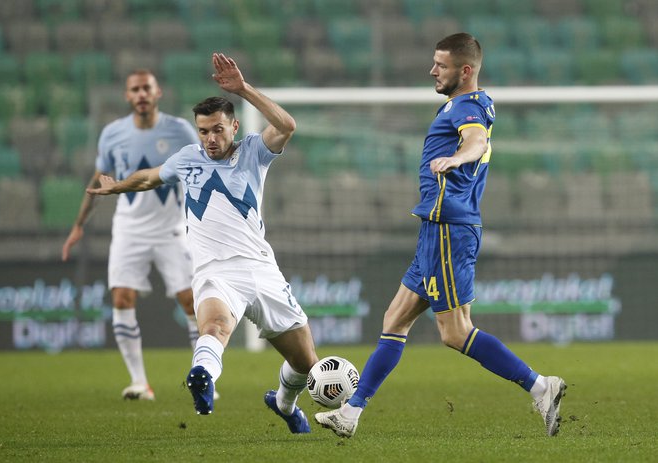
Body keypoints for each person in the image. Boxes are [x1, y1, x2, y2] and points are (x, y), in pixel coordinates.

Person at [315, 33, 567, 438]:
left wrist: (457, 157)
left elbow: (476, 139)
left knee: (455, 332)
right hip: (437, 228)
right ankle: (352, 412)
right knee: (394, 318)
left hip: (450, 229)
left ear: (465, 71)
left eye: (442, 65)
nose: (433, 70)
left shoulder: (469, 108)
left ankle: (541, 386)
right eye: (434, 62)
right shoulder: (461, 105)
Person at [86, 52, 319, 434]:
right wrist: (118, 187)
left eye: (217, 130)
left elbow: (287, 124)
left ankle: (285, 404)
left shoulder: (253, 153)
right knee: (214, 328)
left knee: (307, 361)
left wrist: (242, 88)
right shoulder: (188, 158)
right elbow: (150, 177)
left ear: (234, 126)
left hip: (262, 268)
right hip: (216, 271)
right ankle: (202, 378)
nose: (210, 139)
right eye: (204, 131)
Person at [62, 69, 210, 401]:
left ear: (158, 94)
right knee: (121, 298)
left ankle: (203, 378)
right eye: (135, 89)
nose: (141, 94)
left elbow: (204, 169)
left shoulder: (180, 130)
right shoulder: (112, 134)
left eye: (147, 88)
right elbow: (100, 180)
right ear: (127, 96)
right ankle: (140, 382)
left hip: (173, 229)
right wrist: (78, 225)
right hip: (129, 229)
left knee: (191, 302)